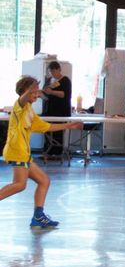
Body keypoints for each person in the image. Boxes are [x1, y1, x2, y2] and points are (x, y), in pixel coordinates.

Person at [1, 76, 83, 228]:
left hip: (24, 154)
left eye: (37, 92)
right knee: (19, 185)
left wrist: (69, 125)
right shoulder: (19, 107)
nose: (37, 94)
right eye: (34, 92)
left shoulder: (30, 111)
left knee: (44, 181)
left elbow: (47, 127)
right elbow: (22, 99)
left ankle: (38, 216)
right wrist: (29, 91)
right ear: (26, 92)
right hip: (17, 151)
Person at [41, 61, 71, 158]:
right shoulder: (49, 80)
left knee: (57, 132)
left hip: (60, 111)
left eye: (54, 71)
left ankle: (57, 153)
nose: (52, 73)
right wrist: (40, 95)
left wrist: (52, 92)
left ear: (59, 69)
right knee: (47, 130)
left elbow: (64, 94)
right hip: (48, 110)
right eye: (51, 71)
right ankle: (47, 151)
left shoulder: (65, 80)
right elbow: (46, 96)